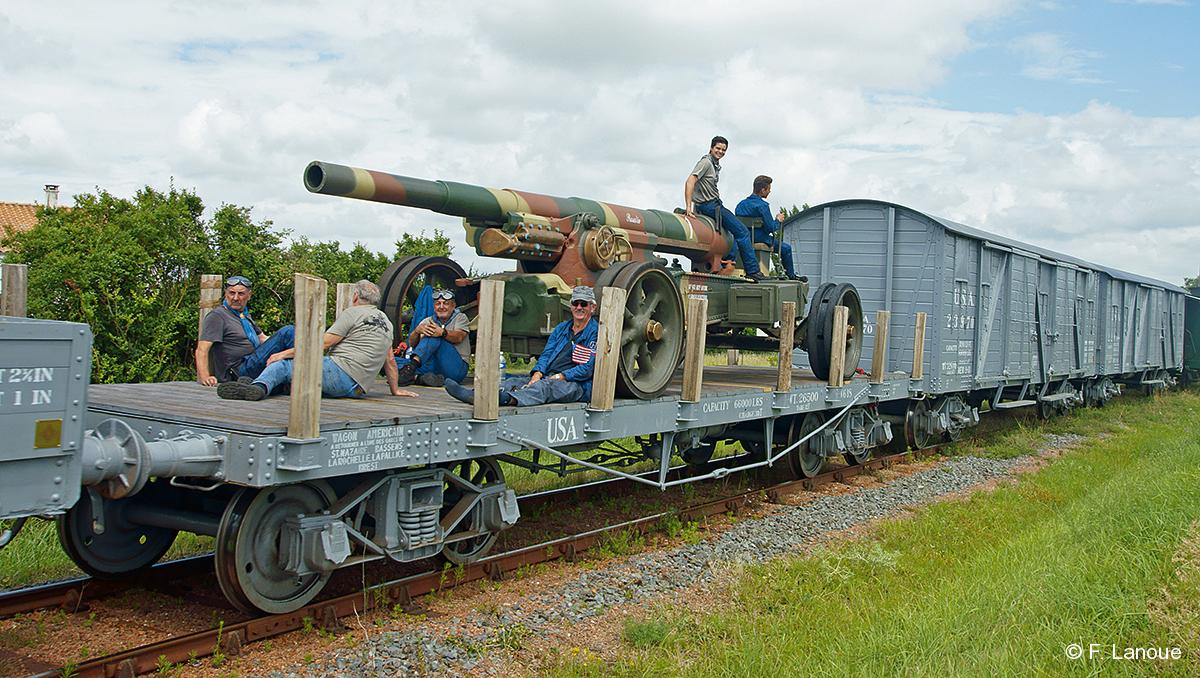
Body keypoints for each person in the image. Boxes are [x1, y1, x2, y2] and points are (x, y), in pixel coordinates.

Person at [216, 280, 416, 401]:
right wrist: (395, 390)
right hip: (358, 388)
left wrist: (282, 354)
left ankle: (257, 388)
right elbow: (389, 361)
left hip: (341, 374)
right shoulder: (386, 322)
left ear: (355, 296)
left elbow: (320, 344)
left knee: (284, 367)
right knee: (293, 379)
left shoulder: (352, 313)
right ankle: (256, 384)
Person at [444, 286, 598, 407]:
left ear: (592, 308)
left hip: (576, 385)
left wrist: (561, 376)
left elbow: (587, 368)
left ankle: (505, 400)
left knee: (545, 388)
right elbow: (546, 354)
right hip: (550, 375)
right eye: (575, 303)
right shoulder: (561, 328)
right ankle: (476, 394)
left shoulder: (595, 332)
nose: (579, 307)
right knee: (515, 381)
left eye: (583, 304)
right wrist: (537, 374)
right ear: (570, 306)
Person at [684, 136, 763, 281]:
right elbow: (690, 181)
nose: (720, 151)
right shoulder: (706, 162)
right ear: (711, 148)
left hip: (711, 204)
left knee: (731, 233)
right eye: (718, 148)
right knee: (743, 231)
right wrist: (689, 208)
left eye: (723, 150)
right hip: (710, 206)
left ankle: (727, 261)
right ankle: (752, 270)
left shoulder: (714, 164)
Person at [195, 275, 297, 386]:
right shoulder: (217, 316)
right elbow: (202, 350)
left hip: (253, 363)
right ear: (226, 293)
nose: (235, 298)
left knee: (288, 340)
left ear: (249, 295)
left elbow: (263, 339)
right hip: (238, 370)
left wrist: (282, 354)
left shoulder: (244, 316)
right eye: (232, 293)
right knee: (288, 331)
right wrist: (205, 377)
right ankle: (301, 367)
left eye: (241, 294)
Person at [395, 288, 471, 387]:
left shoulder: (461, 318)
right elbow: (412, 345)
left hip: (455, 369)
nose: (441, 307)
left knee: (434, 334)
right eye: (438, 304)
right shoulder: (428, 320)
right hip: (433, 368)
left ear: (453, 306)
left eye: (446, 303)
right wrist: (417, 331)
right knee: (391, 361)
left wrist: (442, 333)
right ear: (434, 307)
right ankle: (419, 378)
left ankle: (411, 370)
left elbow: (459, 337)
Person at [735, 175, 799, 280]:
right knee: (786, 249)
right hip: (760, 238)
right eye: (768, 189)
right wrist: (778, 220)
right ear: (762, 190)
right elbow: (770, 228)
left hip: (744, 239)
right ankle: (791, 276)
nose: (770, 191)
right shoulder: (763, 206)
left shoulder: (740, 205)